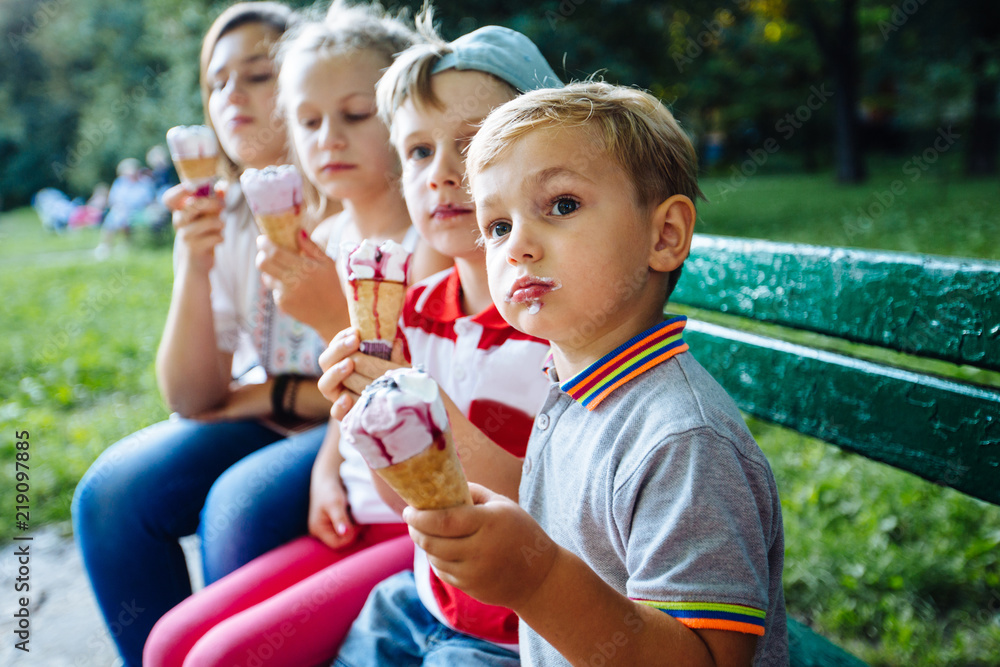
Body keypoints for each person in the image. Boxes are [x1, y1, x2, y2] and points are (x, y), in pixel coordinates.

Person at [401, 81, 789, 666]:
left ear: (665, 236)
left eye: (561, 205)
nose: (518, 247)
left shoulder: (681, 440)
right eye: (498, 226)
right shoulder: (570, 392)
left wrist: (535, 581)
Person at [141, 3, 451, 665]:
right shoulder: (332, 239)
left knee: (216, 655)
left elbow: (428, 400)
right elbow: (344, 397)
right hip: (352, 506)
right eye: (308, 121)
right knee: (168, 642)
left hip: (419, 526)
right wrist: (325, 466)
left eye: (355, 115)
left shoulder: (429, 249)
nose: (327, 139)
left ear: (404, 115)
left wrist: (327, 316)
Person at [72, 5, 340, 666]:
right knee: (110, 493)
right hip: (276, 419)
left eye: (257, 75)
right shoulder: (231, 212)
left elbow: (375, 373)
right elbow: (192, 394)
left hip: (343, 429)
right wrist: (193, 263)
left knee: (238, 505)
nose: (232, 98)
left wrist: (260, 396)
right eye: (216, 83)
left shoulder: (354, 198)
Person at [328, 19, 564, 667]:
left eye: (473, 144)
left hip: (534, 633)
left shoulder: (566, 323)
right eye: (418, 151)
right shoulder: (416, 314)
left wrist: (423, 406)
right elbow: (407, 500)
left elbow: (554, 509)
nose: (440, 173)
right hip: (429, 599)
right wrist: (372, 421)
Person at [94, 157, 156, 258]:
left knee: (122, 216)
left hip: (139, 211)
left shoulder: (145, 183)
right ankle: (108, 245)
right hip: (121, 211)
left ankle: (119, 244)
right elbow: (113, 199)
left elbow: (147, 200)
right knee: (115, 216)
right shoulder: (120, 183)